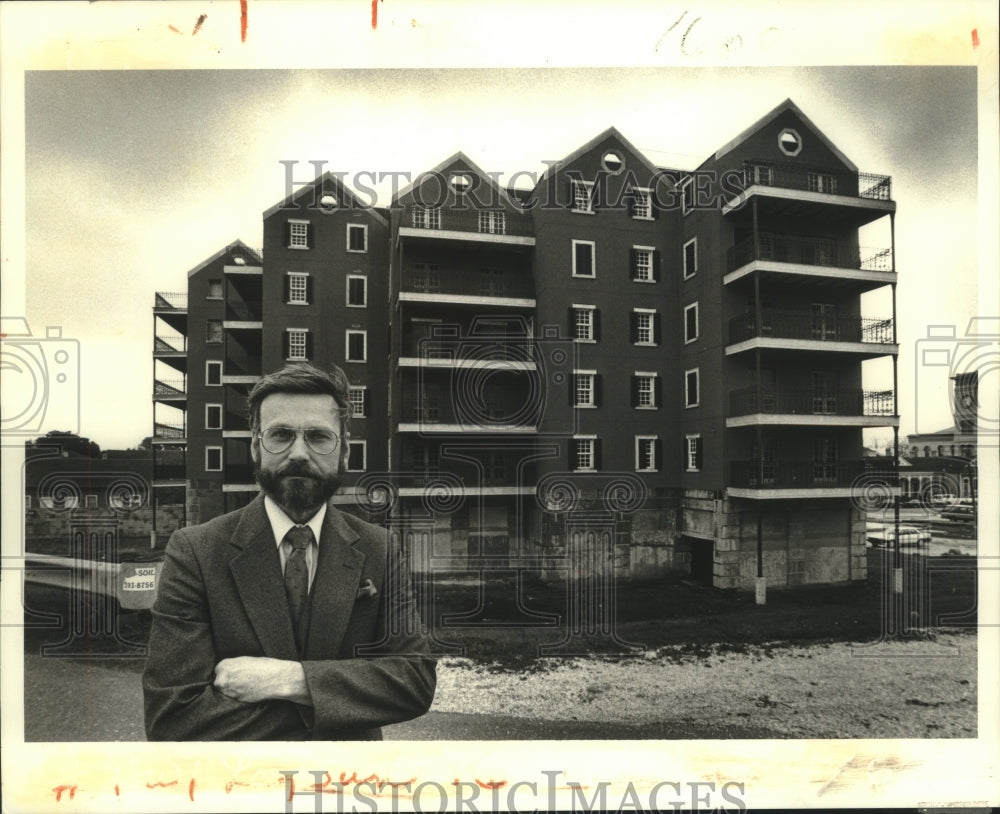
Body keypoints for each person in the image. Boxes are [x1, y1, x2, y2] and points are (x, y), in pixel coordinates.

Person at [143, 363, 436, 740]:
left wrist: (288, 680)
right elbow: (172, 718)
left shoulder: (380, 547)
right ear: (255, 447)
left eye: (318, 437)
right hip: (243, 792)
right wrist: (340, 703)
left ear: (344, 453)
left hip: (346, 791)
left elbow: (414, 680)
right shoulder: (195, 551)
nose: (298, 453)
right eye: (280, 435)